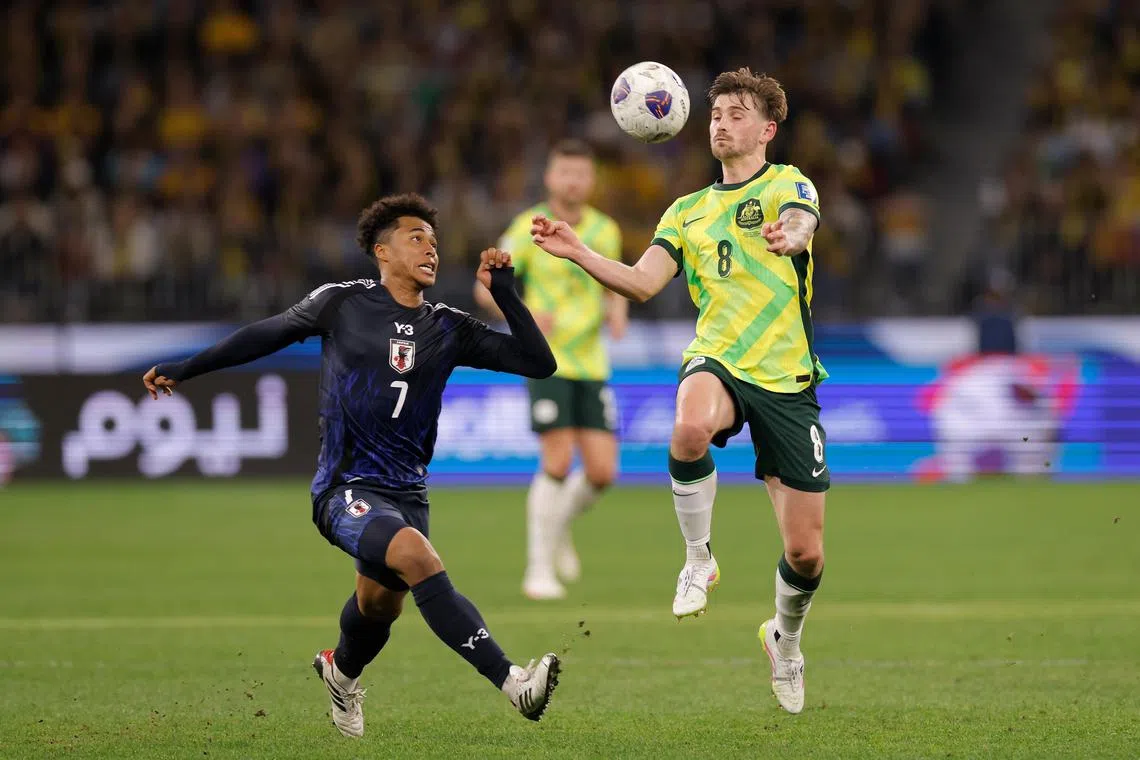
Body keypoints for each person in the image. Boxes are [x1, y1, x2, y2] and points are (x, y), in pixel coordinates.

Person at [142, 193, 561, 738]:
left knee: (378, 606)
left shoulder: (449, 327)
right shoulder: (341, 303)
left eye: (434, 242)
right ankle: (514, 683)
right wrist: (187, 368)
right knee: (417, 557)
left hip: (409, 492)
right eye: (416, 238)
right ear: (381, 251)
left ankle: (340, 673)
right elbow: (265, 334)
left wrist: (506, 295)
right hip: (344, 487)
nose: (430, 249)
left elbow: (539, 362)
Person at [530, 69, 827, 714]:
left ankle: (785, 637)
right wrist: (579, 251)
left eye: (737, 114)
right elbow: (640, 283)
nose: (721, 122)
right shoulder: (687, 212)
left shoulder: (787, 185)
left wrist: (792, 235)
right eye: (715, 113)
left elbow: (803, 221)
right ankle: (699, 557)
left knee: (805, 555)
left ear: (766, 129)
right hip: (717, 359)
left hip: (786, 377)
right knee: (689, 426)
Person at [474, 139, 626, 601]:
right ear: (550, 178)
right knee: (557, 460)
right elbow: (486, 286)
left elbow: (611, 280)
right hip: (545, 360)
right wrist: (517, 313)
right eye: (566, 172)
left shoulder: (605, 229)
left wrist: (618, 308)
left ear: (592, 180)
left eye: (582, 173)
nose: (574, 181)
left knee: (602, 472)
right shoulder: (527, 228)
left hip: (592, 361)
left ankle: (558, 529)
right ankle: (538, 569)